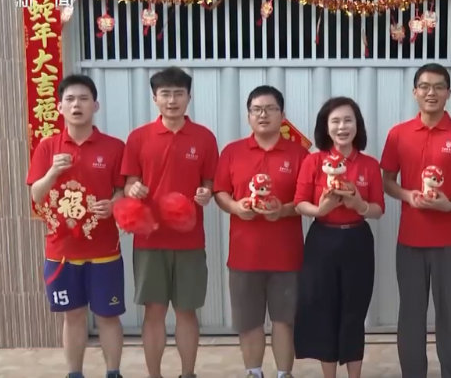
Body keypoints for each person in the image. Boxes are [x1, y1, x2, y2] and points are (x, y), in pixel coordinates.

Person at [380, 63, 451, 378]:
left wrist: (450, 205)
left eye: (439, 87)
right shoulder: (398, 134)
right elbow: (387, 181)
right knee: (411, 314)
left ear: (449, 93)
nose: (431, 93)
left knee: (450, 314)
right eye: (424, 86)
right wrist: (408, 195)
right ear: (414, 92)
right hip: (410, 242)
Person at [121, 67, 219, 378]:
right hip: (149, 239)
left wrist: (205, 193)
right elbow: (129, 182)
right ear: (155, 98)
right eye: (165, 94)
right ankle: (155, 375)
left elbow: (210, 183)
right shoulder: (138, 138)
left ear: (189, 97)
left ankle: (188, 374)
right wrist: (133, 189)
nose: (172, 100)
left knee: (187, 311)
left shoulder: (204, 137)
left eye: (178, 93)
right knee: (154, 312)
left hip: (190, 240)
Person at [26, 75, 126, 378]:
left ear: (96, 105)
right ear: (59, 107)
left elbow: (122, 190)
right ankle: (74, 373)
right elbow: (36, 194)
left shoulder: (114, 147)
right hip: (62, 251)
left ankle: (113, 372)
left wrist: (114, 204)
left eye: (83, 98)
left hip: (104, 249)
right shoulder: (48, 147)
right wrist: (52, 173)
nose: (76, 105)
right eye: (69, 99)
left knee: (108, 316)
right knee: (73, 316)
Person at [213, 85, 308, 378]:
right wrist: (235, 207)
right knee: (249, 321)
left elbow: (308, 200)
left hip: (286, 255)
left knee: (284, 320)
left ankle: (284, 373)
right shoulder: (232, 152)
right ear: (248, 116)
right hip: (244, 255)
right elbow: (220, 192)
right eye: (256, 109)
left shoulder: (300, 154)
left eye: (270, 109)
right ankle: (254, 372)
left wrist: (283, 210)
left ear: (282, 115)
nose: (263, 115)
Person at [292, 97, 385, 378]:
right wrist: (320, 210)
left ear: (358, 125)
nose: (342, 127)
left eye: (348, 120)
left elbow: (378, 209)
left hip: (357, 241)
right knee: (324, 311)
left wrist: (359, 205)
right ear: (326, 127)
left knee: (354, 311)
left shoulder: (369, 164)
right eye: (335, 121)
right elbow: (299, 203)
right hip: (322, 240)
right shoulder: (314, 161)